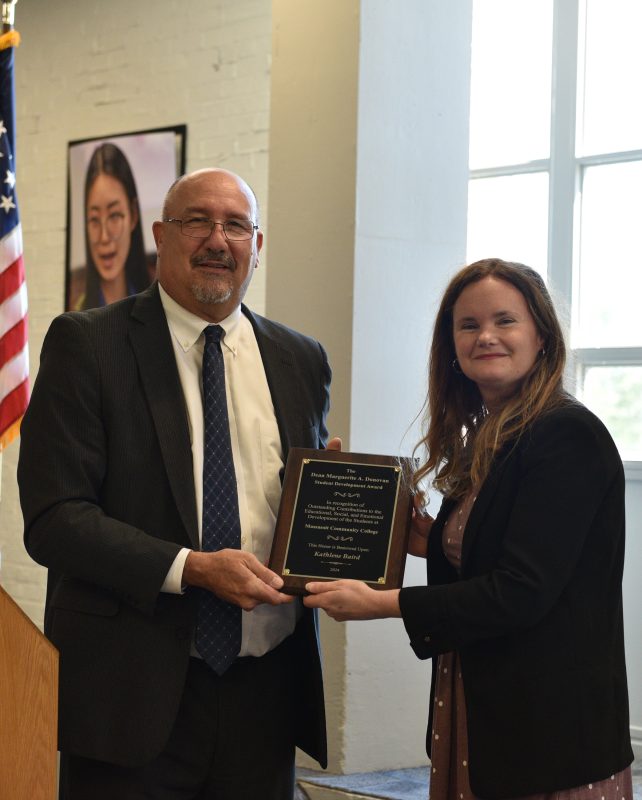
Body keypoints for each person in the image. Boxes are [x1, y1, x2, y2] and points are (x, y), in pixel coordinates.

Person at [19, 168, 333, 800]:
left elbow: (294, 505)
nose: (218, 239)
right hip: (131, 695)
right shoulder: (89, 344)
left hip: (265, 694)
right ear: (160, 236)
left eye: (236, 225)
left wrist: (342, 504)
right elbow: (55, 518)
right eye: (197, 222)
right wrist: (190, 568)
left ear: (257, 244)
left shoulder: (301, 358)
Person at [304, 258, 634, 799]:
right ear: (451, 347)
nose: (486, 336)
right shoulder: (490, 435)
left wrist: (384, 603)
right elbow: (491, 549)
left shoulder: (566, 435)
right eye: (468, 325)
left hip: (548, 728)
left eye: (505, 320)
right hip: (485, 708)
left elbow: (520, 591)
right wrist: (417, 538)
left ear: (542, 336)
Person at [76, 141, 151, 309]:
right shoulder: (77, 318)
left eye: (115, 215)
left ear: (133, 215)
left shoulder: (157, 307)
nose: (104, 237)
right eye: (94, 219)